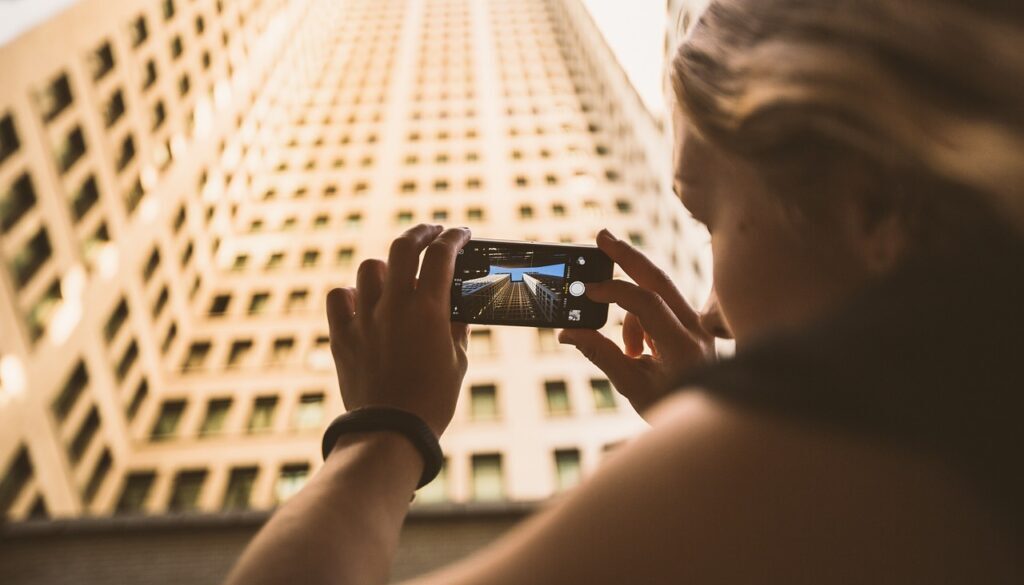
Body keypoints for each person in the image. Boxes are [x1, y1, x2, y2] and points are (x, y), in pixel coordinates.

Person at [225, 0, 1023, 583]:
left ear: (874, 203)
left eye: (709, 218)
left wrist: (383, 428)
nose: (710, 310)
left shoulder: (869, 434)